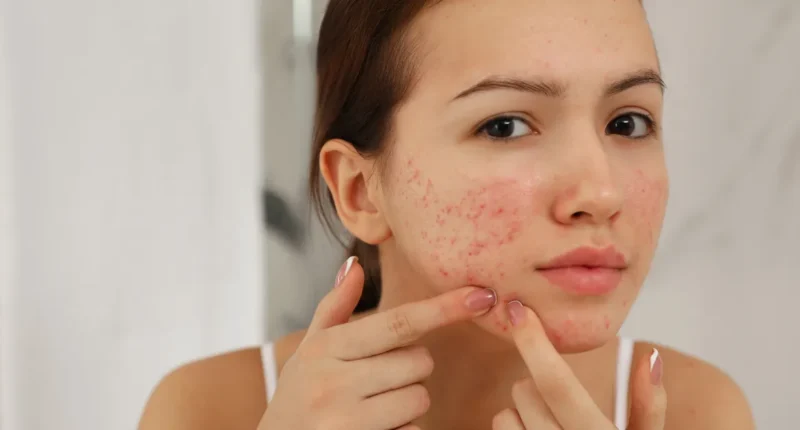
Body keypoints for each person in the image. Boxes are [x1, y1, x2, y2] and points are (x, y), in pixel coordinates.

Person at [138, 0, 756, 428]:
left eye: (628, 121)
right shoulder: (211, 412)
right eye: (506, 125)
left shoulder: (701, 413)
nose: (600, 193)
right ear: (359, 191)